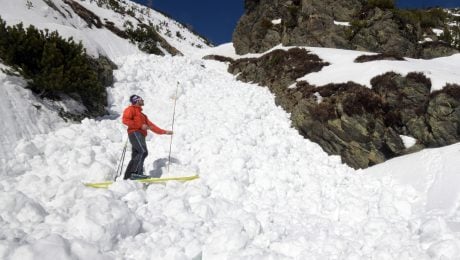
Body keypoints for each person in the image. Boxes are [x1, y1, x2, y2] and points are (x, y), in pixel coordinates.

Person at [122, 94, 173, 180]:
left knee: (136, 155)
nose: (143, 101)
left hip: (140, 134)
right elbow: (125, 120)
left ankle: (128, 177)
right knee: (143, 151)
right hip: (134, 133)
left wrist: (164, 132)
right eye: (141, 99)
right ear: (136, 101)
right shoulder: (130, 109)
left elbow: (152, 126)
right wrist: (141, 126)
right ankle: (135, 174)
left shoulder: (143, 116)